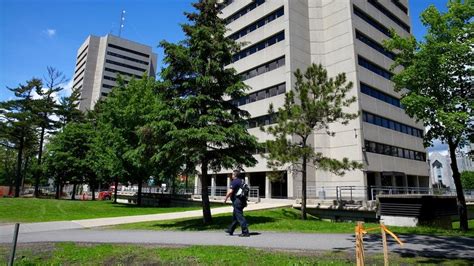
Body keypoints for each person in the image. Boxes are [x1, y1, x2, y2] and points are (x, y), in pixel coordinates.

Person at [224, 169, 250, 237]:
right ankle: (231, 230)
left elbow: (230, 192)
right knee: (235, 217)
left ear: (234, 175)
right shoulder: (241, 181)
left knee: (240, 217)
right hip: (242, 201)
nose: (231, 175)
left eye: (232, 174)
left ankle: (245, 232)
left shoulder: (234, 181)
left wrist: (225, 199)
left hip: (237, 201)